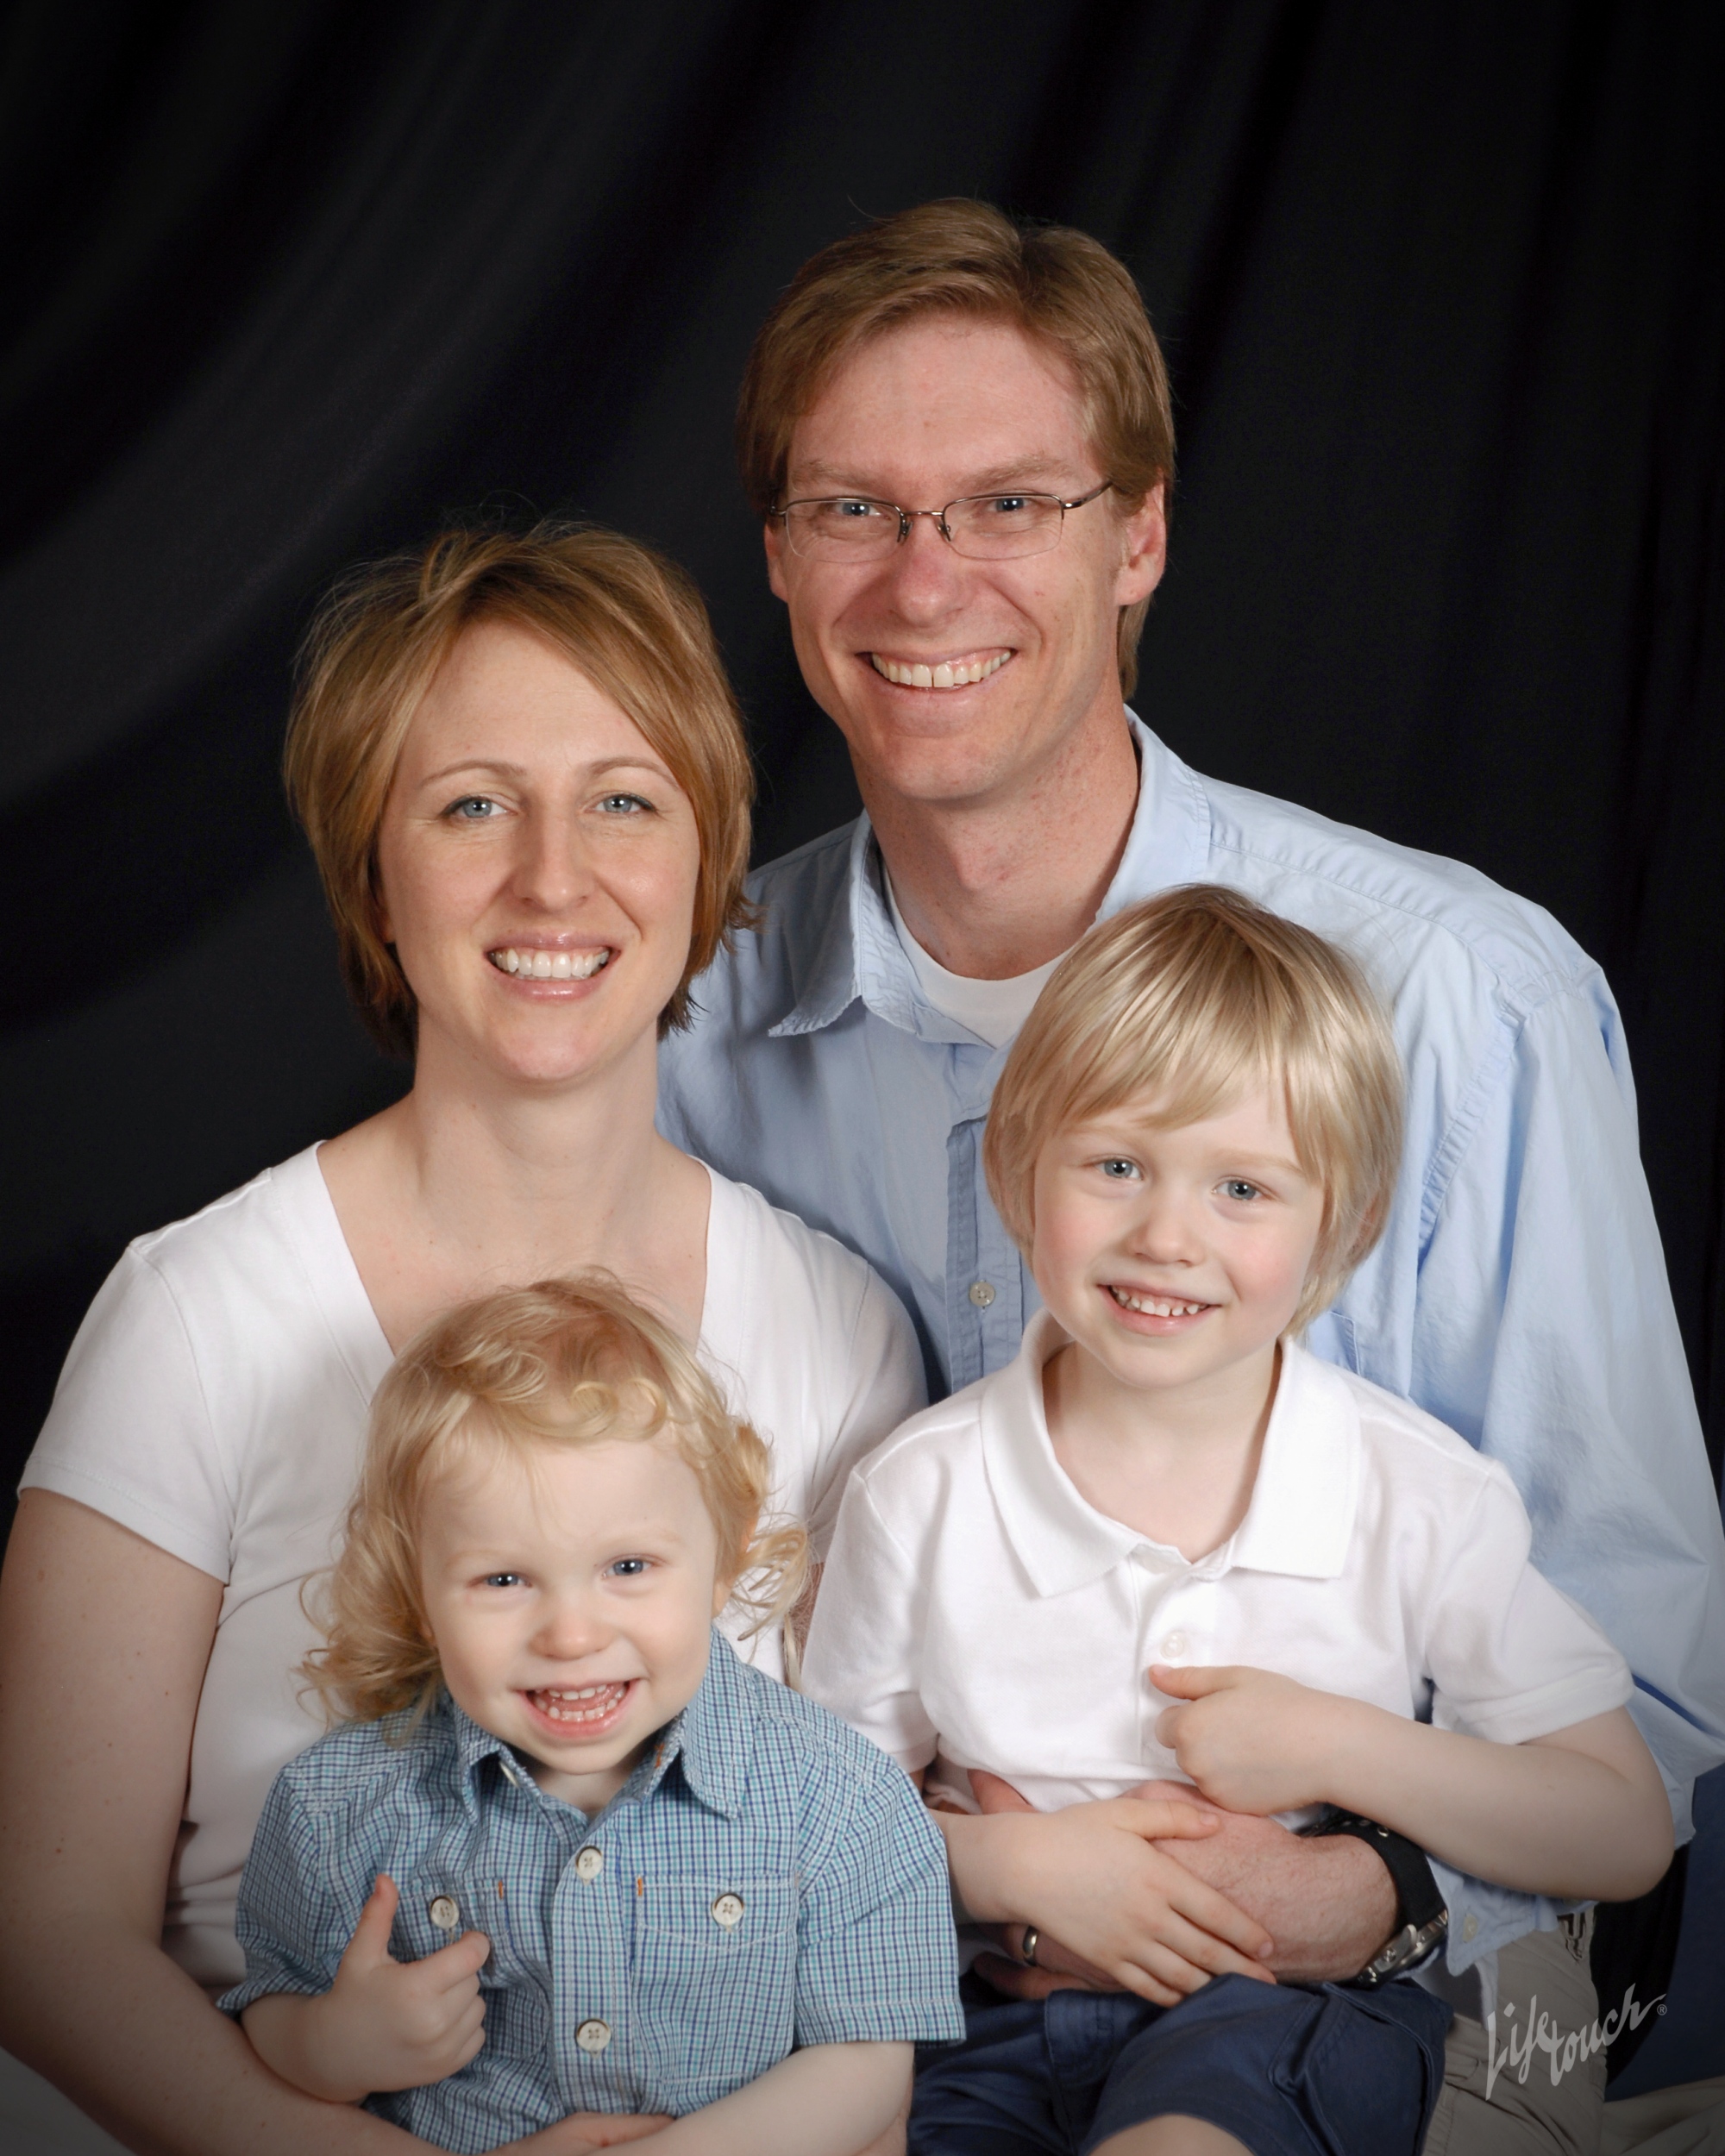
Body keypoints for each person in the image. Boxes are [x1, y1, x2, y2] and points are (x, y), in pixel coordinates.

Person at [656, 198, 1725, 2146]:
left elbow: (1642, 1689)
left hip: (1379, 1978)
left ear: (1136, 537)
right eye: (855, 509)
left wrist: (1363, 1893)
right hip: (872, 1966)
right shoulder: (687, 1024)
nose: (924, 580)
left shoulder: (1457, 998)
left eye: (1008, 504)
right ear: (782, 555)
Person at [0, 524, 926, 2156]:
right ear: (375, 874)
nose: (553, 879)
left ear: (708, 866)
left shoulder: (836, 1328)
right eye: (473, 805)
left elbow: (860, 1902)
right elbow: (48, 1941)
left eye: (624, 801)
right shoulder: (192, 1318)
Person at [801, 887, 1673, 2156]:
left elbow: (1620, 1828)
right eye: (1115, 1166)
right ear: (1015, 1171)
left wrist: (1335, 1744)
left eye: (1243, 1188)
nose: (1167, 1236)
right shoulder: (920, 1490)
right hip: (984, 2022)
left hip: (1292, 2015)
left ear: (1345, 1226)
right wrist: (1003, 1872)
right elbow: (826, 1829)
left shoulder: (1415, 1494)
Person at [226, 1275, 963, 2155]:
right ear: (419, 1597)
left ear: (722, 1563)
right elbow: (269, 2000)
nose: (572, 1636)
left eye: (628, 1567)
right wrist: (331, 2046)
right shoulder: (336, 1807)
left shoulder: (838, 1797)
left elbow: (868, 2064)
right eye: (504, 1579)